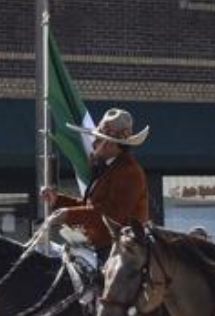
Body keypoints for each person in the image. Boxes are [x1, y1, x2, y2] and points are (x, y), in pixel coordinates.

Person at [41, 108, 150, 256]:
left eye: (97, 139)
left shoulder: (129, 172)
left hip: (123, 255)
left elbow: (111, 215)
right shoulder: (109, 167)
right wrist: (58, 201)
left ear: (109, 143)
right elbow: (91, 208)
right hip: (101, 248)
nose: (93, 144)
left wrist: (68, 214)